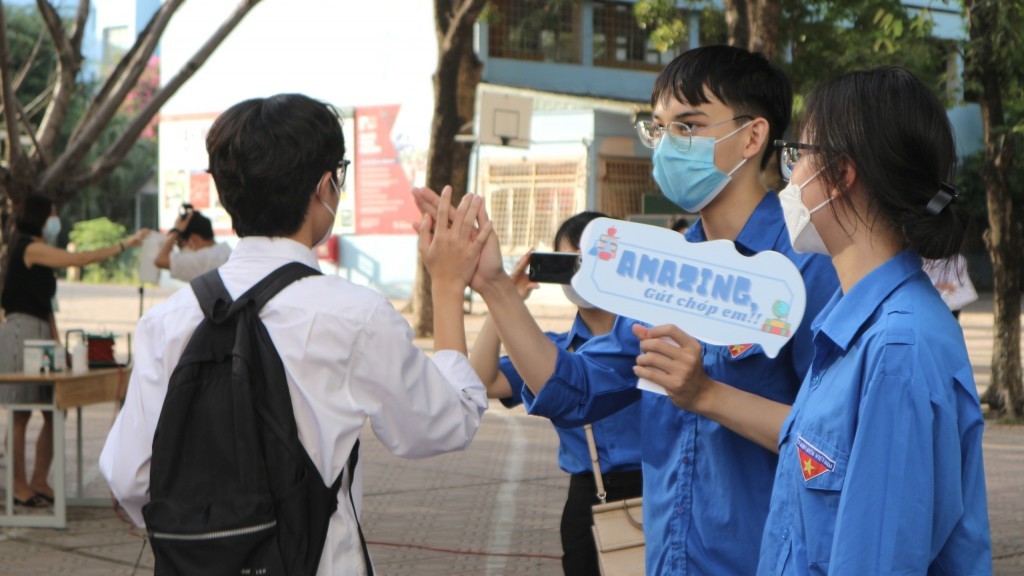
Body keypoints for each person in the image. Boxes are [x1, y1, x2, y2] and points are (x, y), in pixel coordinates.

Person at [414, 45, 840, 575]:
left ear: (752, 137)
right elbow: (575, 390)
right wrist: (495, 286)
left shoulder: (808, 265)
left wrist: (707, 395)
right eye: (657, 128)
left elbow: (832, 440)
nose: (667, 147)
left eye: (688, 126)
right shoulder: (658, 269)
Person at [99, 93, 490, 576]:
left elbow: (129, 475)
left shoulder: (167, 321)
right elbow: (444, 423)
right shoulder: (355, 316)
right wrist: (449, 286)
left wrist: (211, 539)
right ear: (326, 187)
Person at [634, 67, 991, 574]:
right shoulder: (851, 330)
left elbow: (876, 559)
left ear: (842, 175)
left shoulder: (897, 348)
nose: (789, 177)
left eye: (798, 156)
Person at [469, 211, 643, 575]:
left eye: (594, 258)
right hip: (586, 497)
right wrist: (504, 299)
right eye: (571, 262)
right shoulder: (551, 354)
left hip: (652, 490)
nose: (584, 273)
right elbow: (483, 380)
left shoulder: (646, 338)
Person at [0, 193, 147, 508]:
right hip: (20, 331)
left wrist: (59, 345)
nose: (56, 217)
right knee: (20, 412)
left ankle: (40, 478)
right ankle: (17, 484)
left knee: (56, 406)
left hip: (41, 330)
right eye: (52, 212)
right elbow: (79, 260)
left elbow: (47, 308)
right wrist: (126, 244)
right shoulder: (30, 247)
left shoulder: (39, 253)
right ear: (40, 216)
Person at [153, 207, 231, 281]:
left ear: (193, 239)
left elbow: (160, 260)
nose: (181, 250)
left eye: (180, 244)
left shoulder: (204, 259)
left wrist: (176, 230)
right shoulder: (224, 250)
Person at [924, 254, 978, 319]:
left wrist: (953, 285)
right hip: (934, 299)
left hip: (953, 301)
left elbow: (962, 279)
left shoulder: (959, 259)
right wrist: (941, 284)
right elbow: (925, 277)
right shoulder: (928, 260)